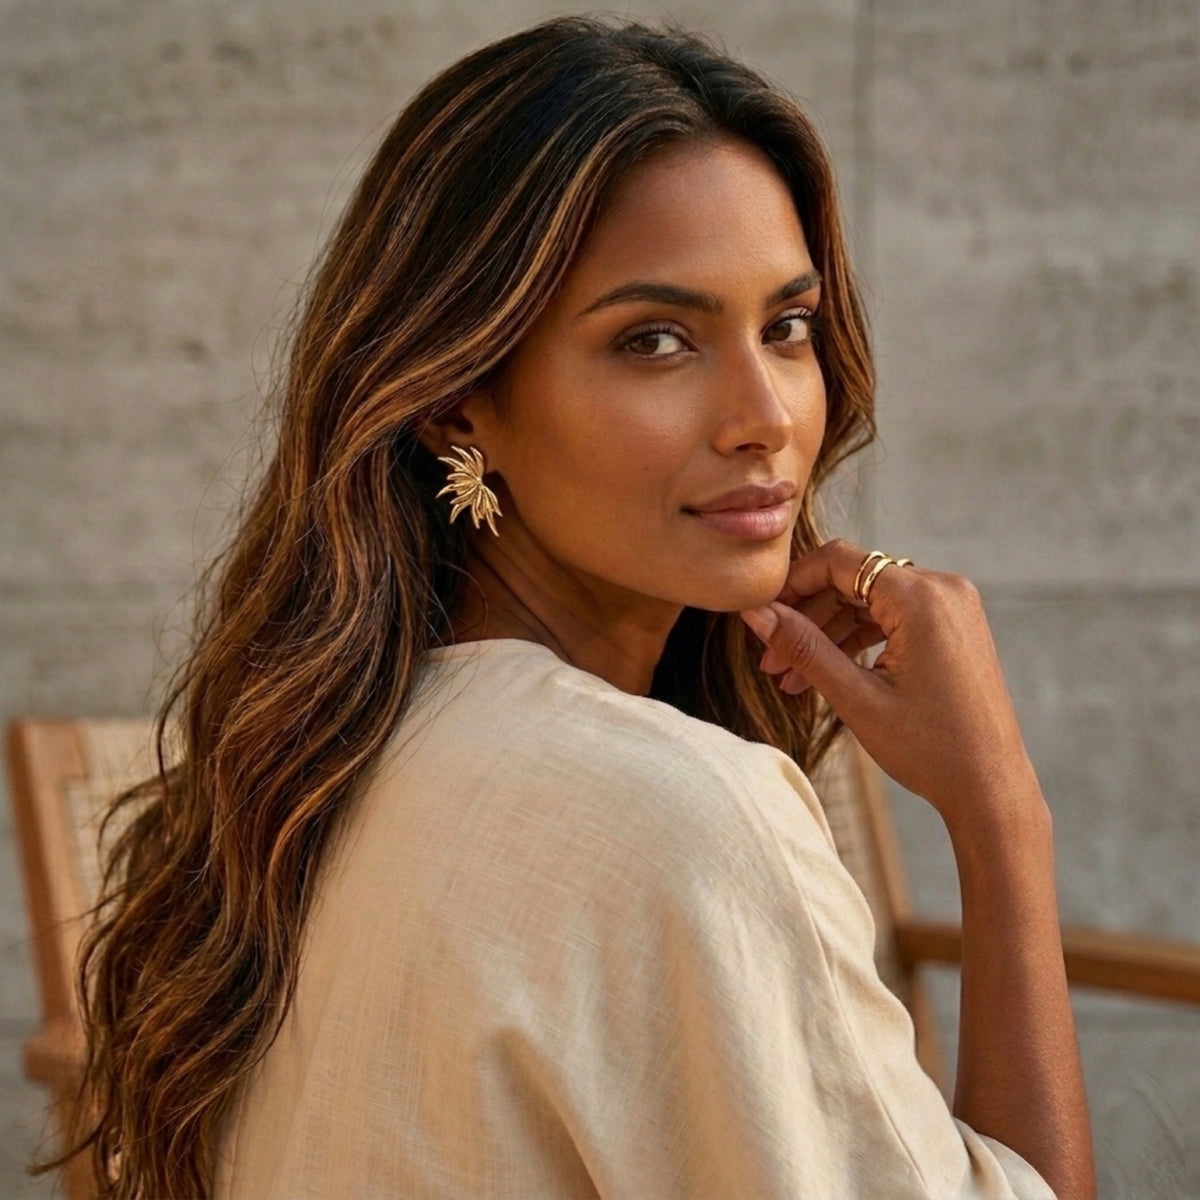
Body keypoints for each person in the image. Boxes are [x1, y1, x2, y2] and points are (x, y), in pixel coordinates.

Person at [53, 15, 1094, 1199]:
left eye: (787, 328)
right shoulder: (682, 818)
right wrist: (1002, 815)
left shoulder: (319, 769)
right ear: (456, 404)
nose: (764, 414)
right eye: (656, 340)